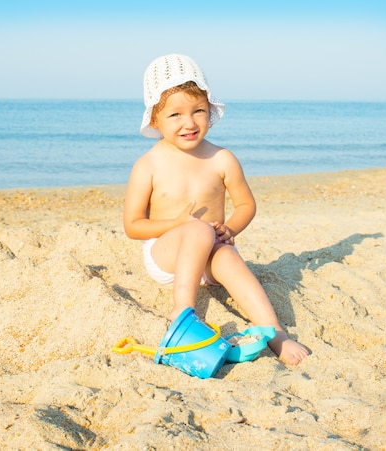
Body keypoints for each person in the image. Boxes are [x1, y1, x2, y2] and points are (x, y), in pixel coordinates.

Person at [123, 54, 309, 365]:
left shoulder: (222, 159)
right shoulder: (149, 165)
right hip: (167, 254)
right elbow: (133, 225)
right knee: (196, 228)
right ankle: (183, 312)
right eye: (175, 115)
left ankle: (275, 332)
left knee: (230, 258)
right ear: (155, 120)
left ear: (210, 110)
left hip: (209, 251)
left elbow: (246, 204)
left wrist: (230, 229)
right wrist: (175, 224)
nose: (189, 122)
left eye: (198, 111)